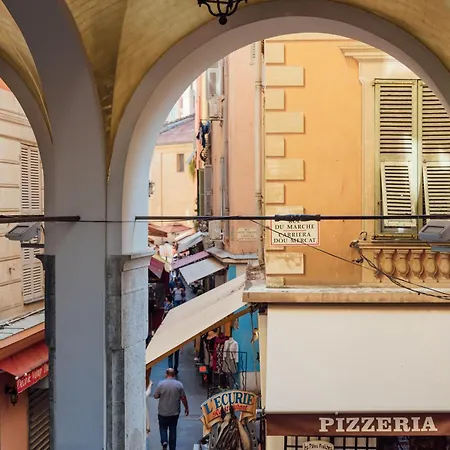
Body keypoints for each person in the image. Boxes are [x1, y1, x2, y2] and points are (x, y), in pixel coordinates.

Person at [154, 368, 189, 450]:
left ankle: (164, 441)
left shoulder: (161, 384)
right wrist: (186, 408)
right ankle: (172, 447)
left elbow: (156, 396)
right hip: (174, 412)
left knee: (162, 427)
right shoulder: (179, 385)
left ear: (166, 374)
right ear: (174, 375)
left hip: (162, 412)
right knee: (173, 429)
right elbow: (183, 398)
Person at [163, 296, 180, 373]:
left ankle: (171, 369)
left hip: (170, 339)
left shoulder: (168, 324)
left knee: (170, 355)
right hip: (177, 338)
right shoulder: (177, 324)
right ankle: (175, 368)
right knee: (176, 354)